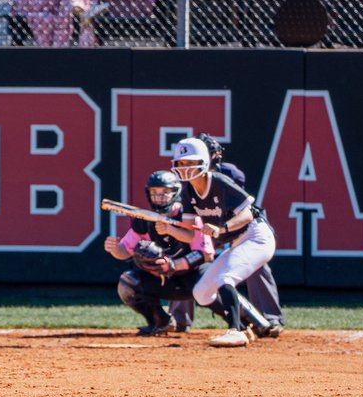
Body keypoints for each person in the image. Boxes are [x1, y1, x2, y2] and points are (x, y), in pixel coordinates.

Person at [168, 137, 277, 348]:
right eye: (181, 163)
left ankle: (235, 331)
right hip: (237, 242)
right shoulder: (188, 191)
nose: (185, 168)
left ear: (203, 161)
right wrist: (170, 230)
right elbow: (192, 235)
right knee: (201, 292)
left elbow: (247, 215)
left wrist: (221, 229)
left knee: (225, 277)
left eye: (189, 162)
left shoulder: (218, 181)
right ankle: (246, 326)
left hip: (256, 236)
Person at [104, 170, 215, 337]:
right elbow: (124, 251)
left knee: (219, 282)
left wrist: (176, 263)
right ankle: (161, 322)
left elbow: (207, 254)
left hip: (192, 275)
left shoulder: (189, 216)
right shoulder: (144, 220)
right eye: (154, 192)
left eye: (165, 192)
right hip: (166, 279)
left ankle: (248, 322)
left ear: (176, 193)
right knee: (128, 283)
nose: (159, 197)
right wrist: (114, 248)